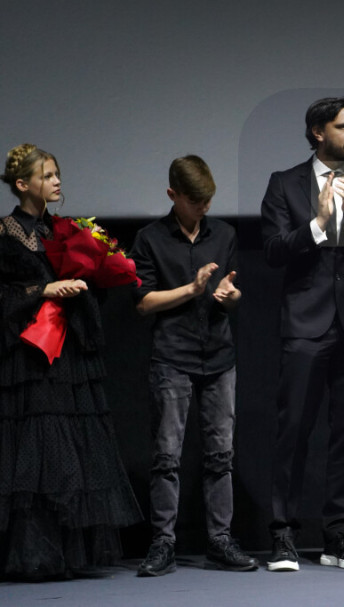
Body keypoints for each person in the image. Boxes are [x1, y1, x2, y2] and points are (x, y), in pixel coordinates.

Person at [260, 97, 344, 572]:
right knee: (293, 430)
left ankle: (339, 535)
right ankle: (283, 534)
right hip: (305, 324)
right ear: (318, 132)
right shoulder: (284, 183)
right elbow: (273, 251)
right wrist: (317, 223)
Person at [0, 144, 142, 580]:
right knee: (36, 448)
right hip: (29, 356)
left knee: (72, 447)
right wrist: (43, 291)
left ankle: (66, 551)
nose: (57, 181)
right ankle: (33, 554)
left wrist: (87, 279)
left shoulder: (65, 229)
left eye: (57, 173)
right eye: (47, 175)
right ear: (22, 184)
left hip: (69, 354)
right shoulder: (4, 232)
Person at [130, 155, 258, 576]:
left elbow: (233, 292)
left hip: (219, 356)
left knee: (221, 455)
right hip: (173, 357)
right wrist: (193, 288)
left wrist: (230, 296)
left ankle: (220, 540)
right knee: (166, 456)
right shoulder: (150, 239)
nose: (203, 208)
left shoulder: (224, 234)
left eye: (208, 200)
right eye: (195, 201)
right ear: (173, 195)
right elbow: (143, 303)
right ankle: (163, 543)